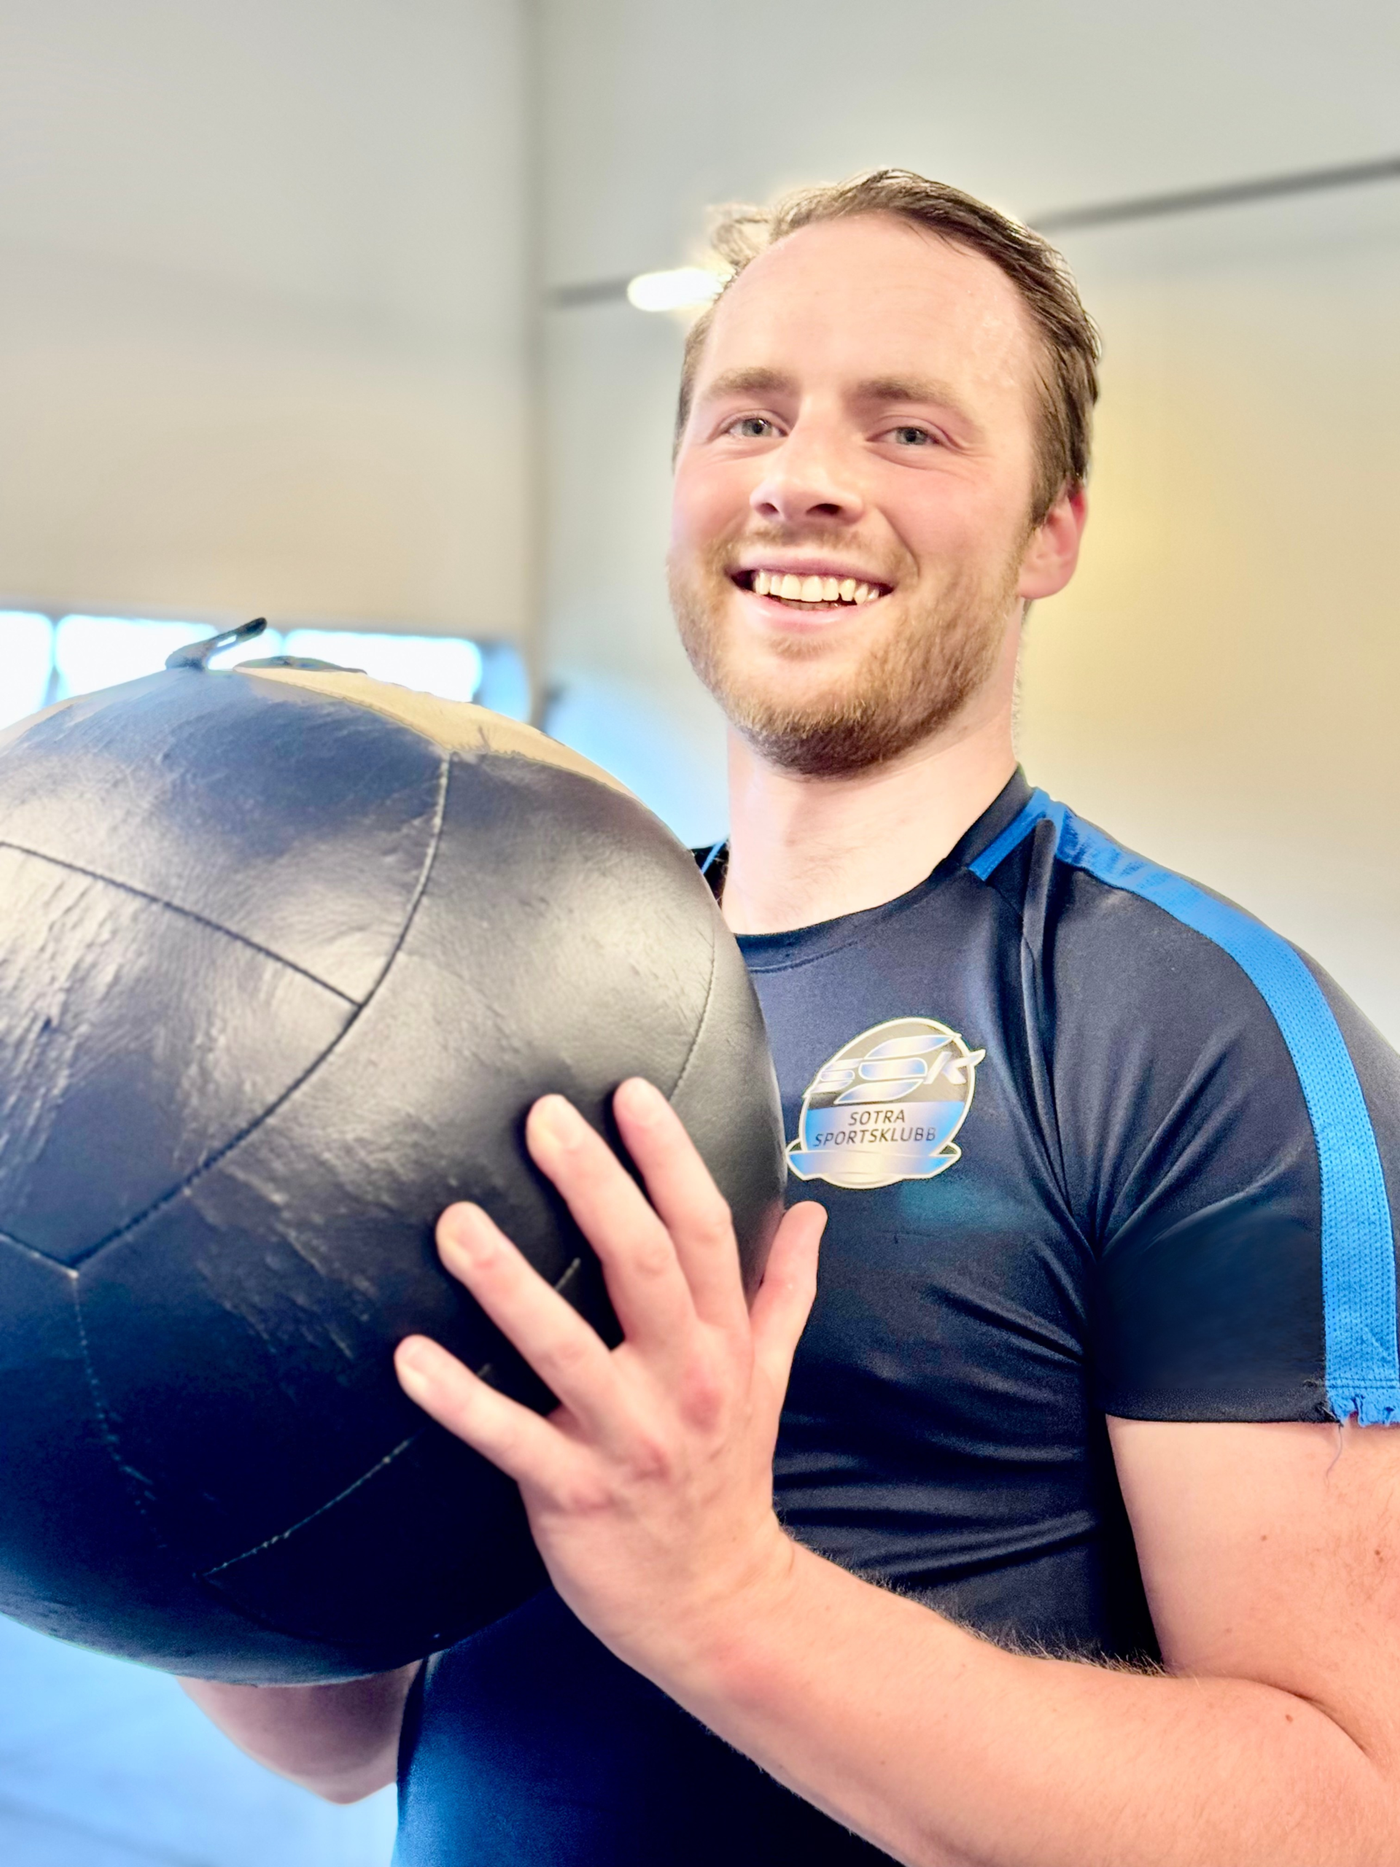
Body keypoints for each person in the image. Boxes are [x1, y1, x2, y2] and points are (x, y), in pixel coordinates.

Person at [183, 170, 1400, 1864]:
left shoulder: (1196, 1036)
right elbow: (343, 1730)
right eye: (750, 417)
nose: (804, 479)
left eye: (910, 430)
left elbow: (1350, 1810)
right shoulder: (487, 988)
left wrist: (726, 1595)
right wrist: (143, 1454)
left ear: (1053, 530)